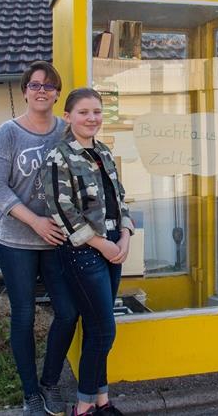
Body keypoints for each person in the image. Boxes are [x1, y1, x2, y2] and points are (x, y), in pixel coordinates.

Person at [0, 60, 77, 415]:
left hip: (56, 239)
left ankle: (50, 382)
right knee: (23, 313)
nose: (42, 90)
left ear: (57, 94)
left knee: (69, 312)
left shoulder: (64, 132)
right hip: (15, 239)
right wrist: (35, 222)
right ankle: (31, 394)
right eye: (35, 85)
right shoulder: (8, 132)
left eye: (49, 86)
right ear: (25, 91)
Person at [43, 88, 134, 416]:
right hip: (84, 250)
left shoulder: (104, 152)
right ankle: (83, 408)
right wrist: (102, 244)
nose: (92, 118)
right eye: (83, 112)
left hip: (113, 242)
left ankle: (102, 401)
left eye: (97, 111)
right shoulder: (59, 156)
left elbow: (120, 197)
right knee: (103, 328)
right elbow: (62, 210)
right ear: (67, 116)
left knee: (100, 328)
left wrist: (124, 235)